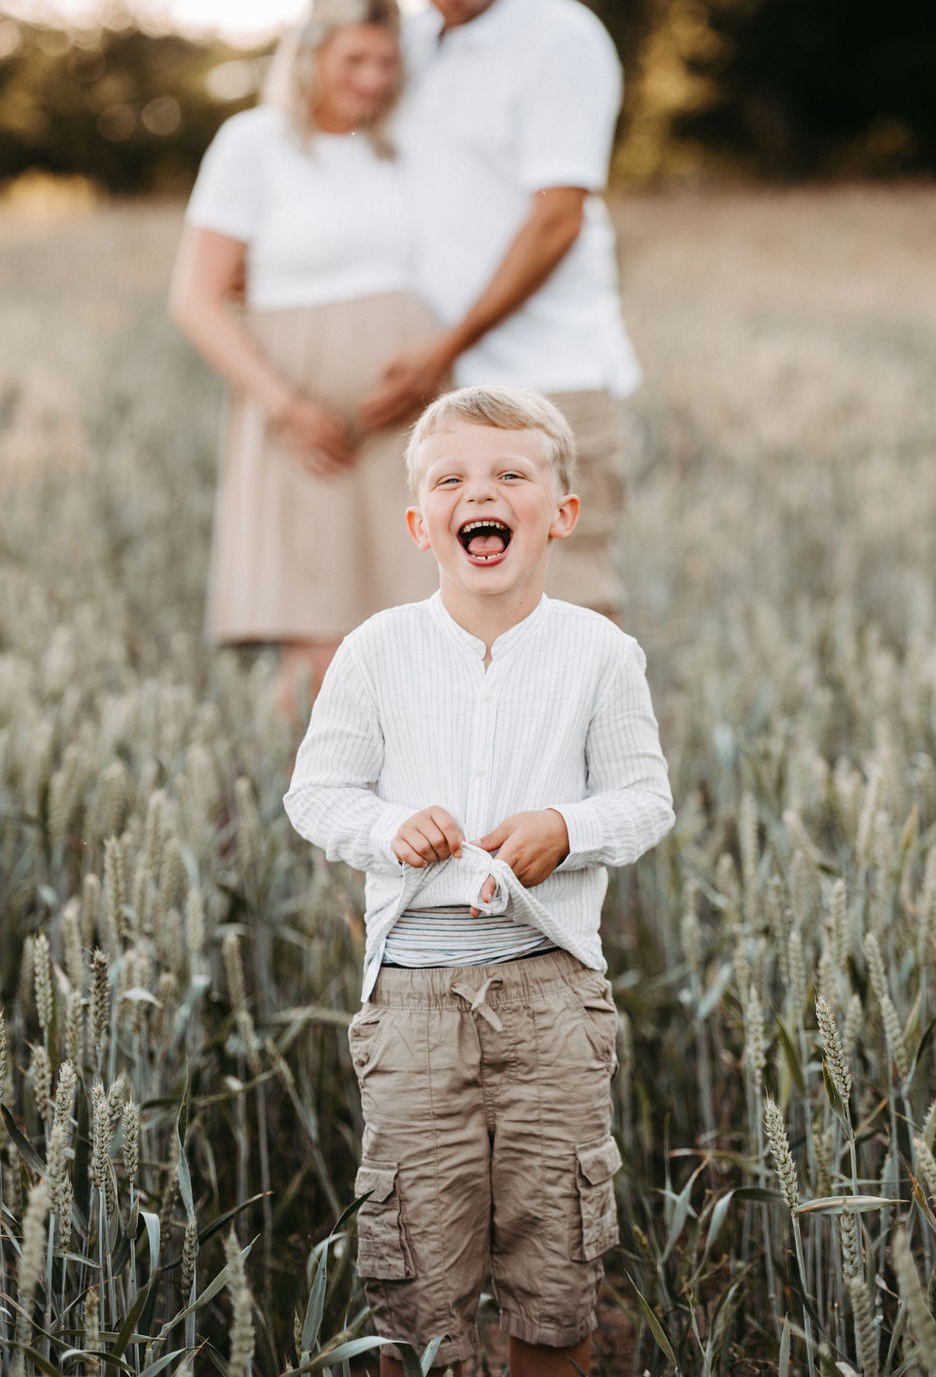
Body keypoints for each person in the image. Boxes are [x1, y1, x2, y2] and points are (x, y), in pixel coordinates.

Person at [284, 386, 673, 1375]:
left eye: (510, 474)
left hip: (553, 997)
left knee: (557, 1267)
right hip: (413, 1006)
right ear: (420, 523)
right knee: (416, 1281)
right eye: (451, 479)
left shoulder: (600, 654)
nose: (480, 493)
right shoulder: (376, 652)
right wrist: (389, 827)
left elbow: (645, 801)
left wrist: (566, 828)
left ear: (562, 513)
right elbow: (316, 795)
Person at [358, 0, 641, 621]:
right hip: (445, 388)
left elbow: (558, 220)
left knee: (570, 611)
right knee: (456, 620)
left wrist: (447, 344)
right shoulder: (412, 45)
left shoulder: (561, 40)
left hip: (552, 376)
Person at [170, 0, 437, 712]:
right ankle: (286, 787)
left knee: (417, 651)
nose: (372, 79)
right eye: (353, 60)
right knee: (321, 662)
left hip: (408, 426)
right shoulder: (253, 144)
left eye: (385, 62)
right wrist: (286, 408)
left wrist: (430, 370)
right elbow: (196, 299)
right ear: (310, 51)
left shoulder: (396, 146)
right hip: (307, 433)